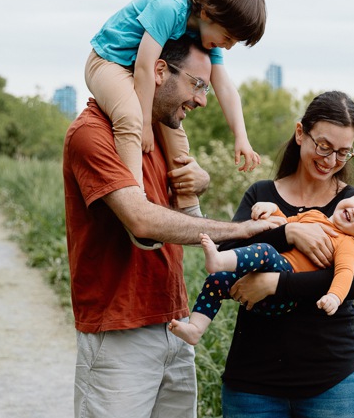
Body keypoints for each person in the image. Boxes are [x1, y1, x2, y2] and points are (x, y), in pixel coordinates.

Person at [63, 35, 276, 418]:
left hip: (174, 325)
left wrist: (201, 182)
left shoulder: (161, 132)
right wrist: (237, 230)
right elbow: (142, 219)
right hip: (118, 333)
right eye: (197, 85)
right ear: (159, 71)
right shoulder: (92, 134)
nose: (202, 100)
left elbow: (175, 215)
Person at [210, 91, 354, 418]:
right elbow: (226, 253)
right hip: (253, 381)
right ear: (300, 133)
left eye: (343, 152)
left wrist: (274, 283)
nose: (331, 161)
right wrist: (288, 231)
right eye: (324, 146)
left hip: (334, 382)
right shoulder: (261, 194)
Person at [85, 0, 266, 219]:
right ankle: (138, 206)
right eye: (228, 38)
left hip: (139, 72)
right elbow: (144, 67)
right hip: (108, 62)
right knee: (130, 117)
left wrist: (241, 137)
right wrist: (145, 123)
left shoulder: (203, 34)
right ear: (207, 14)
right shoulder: (169, 8)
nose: (228, 46)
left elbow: (224, 85)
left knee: (176, 132)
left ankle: (187, 206)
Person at [169, 193, 354, 345]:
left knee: (266, 251)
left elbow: (346, 274)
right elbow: (285, 222)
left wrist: (334, 297)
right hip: (264, 284)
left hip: (284, 293)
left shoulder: (346, 242)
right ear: (352, 197)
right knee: (217, 281)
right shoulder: (315, 215)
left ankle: (218, 260)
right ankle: (196, 329)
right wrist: (272, 209)